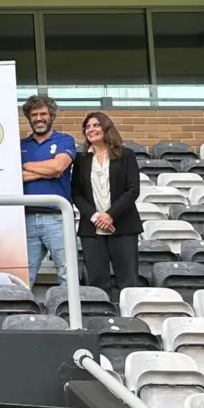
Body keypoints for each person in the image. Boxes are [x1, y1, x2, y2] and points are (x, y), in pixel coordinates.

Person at [72, 112, 141, 297]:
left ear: (106, 127)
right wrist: (96, 217)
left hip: (123, 226)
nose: (90, 129)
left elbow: (133, 190)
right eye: (87, 127)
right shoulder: (81, 159)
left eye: (95, 125)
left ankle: (130, 321)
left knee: (128, 281)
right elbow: (76, 194)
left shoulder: (126, 155)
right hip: (92, 230)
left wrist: (110, 215)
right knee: (97, 282)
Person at [21, 95, 76, 286]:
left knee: (67, 272)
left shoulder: (65, 140)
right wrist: (48, 171)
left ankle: (70, 313)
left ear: (51, 115)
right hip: (25, 219)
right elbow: (16, 177)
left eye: (43, 113)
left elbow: (58, 167)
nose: (38, 118)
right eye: (34, 114)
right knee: (23, 276)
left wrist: (27, 166)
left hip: (57, 217)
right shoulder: (20, 145)